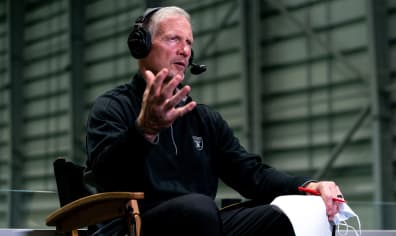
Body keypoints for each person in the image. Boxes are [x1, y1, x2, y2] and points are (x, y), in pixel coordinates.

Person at [85, 6, 344, 236]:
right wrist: (145, 130)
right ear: (141, 45)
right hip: (133, 227)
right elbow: (107, 176)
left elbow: (252, 175)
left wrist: (309, 187)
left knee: (285, 217)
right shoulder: (112, 107)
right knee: (198, 209)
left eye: (189, 42)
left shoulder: (203, 119)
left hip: (200, 221)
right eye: (174, 39)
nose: (185, 51)